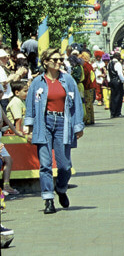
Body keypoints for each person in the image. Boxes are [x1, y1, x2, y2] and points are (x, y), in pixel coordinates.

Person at [23, 48, 84, 214]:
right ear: (45, 62)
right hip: (43, 123)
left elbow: (77, 103)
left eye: (60, 59)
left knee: (65, 166)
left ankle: (61, 188)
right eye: (55, 60)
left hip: (63, 123)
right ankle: (48, 200)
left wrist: (78, 125)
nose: (59, 62)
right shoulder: (38, 82)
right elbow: (30, 104)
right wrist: (28, 127)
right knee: (45, 165)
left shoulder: (68, 80)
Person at [107, 52, 124, 119]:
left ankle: (112, 112)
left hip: (112, 80)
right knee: (118, 97)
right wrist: (123, 81)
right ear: (117, 57)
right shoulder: (117, 64)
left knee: (113, 97)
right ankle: (118, 112)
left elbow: (108, 73)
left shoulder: (109, 63)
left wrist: (109, 81)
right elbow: (120, 73)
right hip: (117, 81)